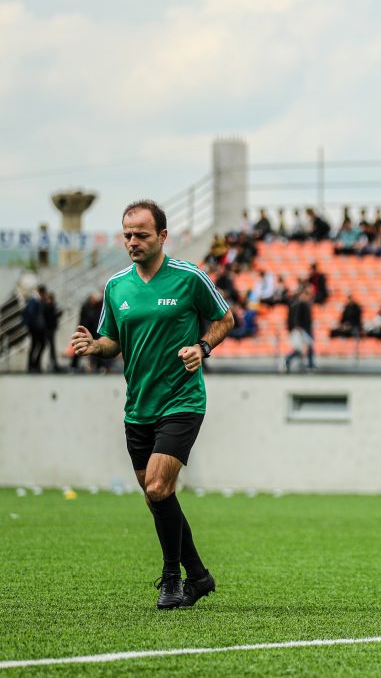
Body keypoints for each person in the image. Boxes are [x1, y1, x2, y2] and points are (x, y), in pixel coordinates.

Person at [70, 199, 234, 610]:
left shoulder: (190, 277)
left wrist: (202, 346)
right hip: (138, 407)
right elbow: (112, 341)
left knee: (159, 487)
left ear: (162, 236)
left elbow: (226, 319)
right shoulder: (116, 286)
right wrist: (95, 345)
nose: (132, 242)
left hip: (182, 400)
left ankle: (171, 579)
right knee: (154, 496)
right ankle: (199, 575)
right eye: (127, 234)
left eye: (141, 234)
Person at [285, 285, 315, 372]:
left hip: (303, 329)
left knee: (306, 347)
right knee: (301, 349)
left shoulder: (304, 304)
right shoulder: (299, 304)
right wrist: (298, 329)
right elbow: (296, 318)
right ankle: (288, 360)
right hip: (301, 330)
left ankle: (309, 364)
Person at [22, 286, 46, 372]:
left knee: (40, 344)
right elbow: (31, 314)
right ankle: (32, 365)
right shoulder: (34, 300)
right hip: (35, 328)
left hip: (39, 327)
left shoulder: (38, 300)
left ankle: (35, 364)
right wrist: (33, 326)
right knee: (35, 345)